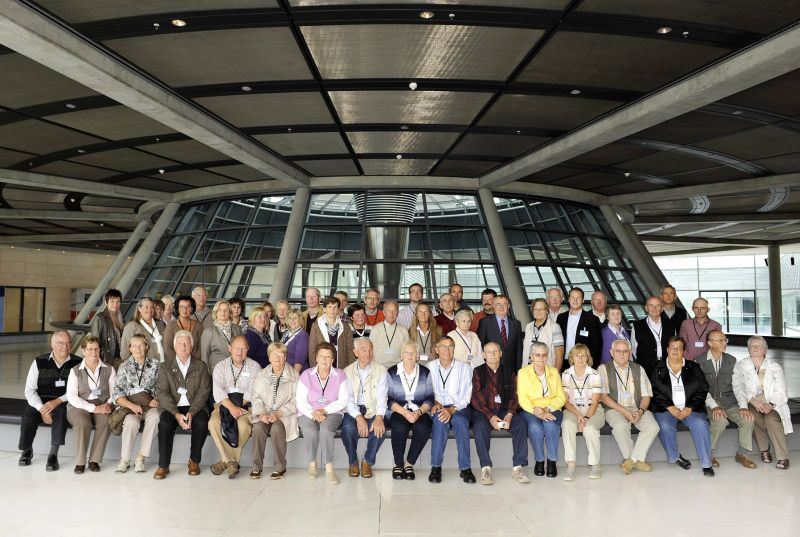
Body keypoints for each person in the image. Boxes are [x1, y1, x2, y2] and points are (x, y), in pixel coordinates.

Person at [18, 330, 81, 471]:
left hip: (65, 400)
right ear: (52, 344)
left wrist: (57, 401)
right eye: (60, 343)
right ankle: (27, 450)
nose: (65, 346)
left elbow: (77, 390)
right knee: (28, 416)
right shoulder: (39, 362)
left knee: (61, 413)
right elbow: (29, 390)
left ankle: (53, 455)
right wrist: (42, 408)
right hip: (41, 401)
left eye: (68, 343)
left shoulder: (78, 363)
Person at [651, 337, 714, 476]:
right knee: (665, 426)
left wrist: (689, 407)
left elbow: (703, 388)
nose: (675, 350)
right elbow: (654, 390)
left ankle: (706, 463)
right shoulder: (657, 367)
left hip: (690, 408)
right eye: (672, 347)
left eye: (679, 347)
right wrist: (670, 407)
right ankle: (675, 457)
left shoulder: (693, 367)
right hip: (666, 409)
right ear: (667, 349)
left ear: (683, 350)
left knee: (700, 424)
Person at [153, 330, 211, 479]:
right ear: (174, 346)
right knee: (165, 423)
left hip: (195, 406)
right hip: (173, 407)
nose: (183, 346)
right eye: (180, 343)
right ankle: (163, 465)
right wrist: (176, 414)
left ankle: (194, 461)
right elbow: (162, 392)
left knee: (202, 422)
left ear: (192, 346)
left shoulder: (201, 366)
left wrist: (191, 412)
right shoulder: (165, 367)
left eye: (187, 343)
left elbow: (203, 392)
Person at [470, 342, 530, 485]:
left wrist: (509, 414)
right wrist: (490, 416)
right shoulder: (478, 371)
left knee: (521, 424)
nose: (492, 355)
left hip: (504, 409)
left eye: (495, 351)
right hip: (484, 411)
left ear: (501, 354)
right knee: (479, 427)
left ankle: (518, 467)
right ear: (483, 355)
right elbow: (475, 398)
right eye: (489, 352)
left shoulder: (509, 372)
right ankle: (485, 468)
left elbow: (514, 397)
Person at [696, 330, 757, 469]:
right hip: (709, 403)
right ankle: (709, 454)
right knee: (720, 421)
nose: (725, 343)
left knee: (747, 419)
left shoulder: (731, 360)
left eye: (725, 340)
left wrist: (743, 406)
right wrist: (714, 406)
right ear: (710, 343)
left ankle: (742, 454)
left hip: (729, 402)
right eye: (721, 340)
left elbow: (738, 386)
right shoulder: (699, 361)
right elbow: (701, 390)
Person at [598, 339, 660, 474]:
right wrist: (625, 412)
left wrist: (641, 411)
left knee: (653, 426)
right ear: (611, 353)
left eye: (625, 351)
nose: (622, 354)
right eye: (618, 351)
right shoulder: (603, 369)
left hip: (636, 407)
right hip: (614, 408)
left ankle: (631, 460)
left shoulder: (638, 369)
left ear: (630, 353)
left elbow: (646, 396)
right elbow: (604, 397)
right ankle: (637, 460)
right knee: (620, 426)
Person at [733, 336, 793, 469]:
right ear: (748, 349)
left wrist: (770, 404)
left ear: (765, 350)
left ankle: (783, 457)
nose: (755, 348)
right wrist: (752, 400)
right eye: (752, 346)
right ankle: (764, 449)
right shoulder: (741, 366)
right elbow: (738, 386)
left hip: (771, 403)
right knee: (753, 418)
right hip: (752, 402)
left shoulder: (775, 367)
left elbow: (781, 391)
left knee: (772, 420)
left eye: (758, 346)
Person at [209, 335, 262, 479]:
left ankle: (226, 461)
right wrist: (231, 407)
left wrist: (238, 407)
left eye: (243, 348)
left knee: (244, 425)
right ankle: (232, 462)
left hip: (245, 405)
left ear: (248, 350)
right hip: (223, 404)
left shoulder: (255, 366)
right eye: (237, 348)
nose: (240, 351)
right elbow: (218, 391)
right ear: (229, 349)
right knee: (213, 422)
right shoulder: (220, 366)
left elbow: (253, 391)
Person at [297, 343, 349, 485]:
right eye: (322, 356)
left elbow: (343, 400)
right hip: (308, 411)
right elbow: (300, 401)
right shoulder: (306, 374)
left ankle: (329, 468)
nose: (325, 360)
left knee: (326, 429)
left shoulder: (340, 374)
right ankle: (312, 463)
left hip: (332, 411)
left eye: (328, 356)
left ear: (333, 359)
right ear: (316, 358)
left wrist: (324, 410)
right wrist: (314, 413)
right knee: (310, 431)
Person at [428, 336, 475, 484]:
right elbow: (427, 392)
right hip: (438, 406)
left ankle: (465, 468)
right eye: (443, 346)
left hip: (459, 407)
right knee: (440, 421)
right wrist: (435, 403)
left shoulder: (465, 368)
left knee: (460, 421)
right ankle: (436, 467)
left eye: (450, 346)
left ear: (454, 349)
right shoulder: (430, 367)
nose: (447, 350)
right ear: (436, 349)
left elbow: (466, 397)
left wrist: (452, 410)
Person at [66, 335, 116, 473]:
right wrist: (93, 408)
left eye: (96, 349)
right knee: (83, 422)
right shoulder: (75, 371)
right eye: (89, 349)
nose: (93, 352)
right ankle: (80, 462)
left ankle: (94, 460)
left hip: (103, 403)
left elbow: (115, 392)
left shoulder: (109, 369)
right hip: (79, 405)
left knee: (107, 421)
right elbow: (71, 396)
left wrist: (108, 404)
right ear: (83, 351)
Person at [112, 334, 160, 473]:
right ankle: (125, 460)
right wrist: (131, 406)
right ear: (130, 348)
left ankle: (140, 458)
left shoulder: (156, 365)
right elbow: (117, 393)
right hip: (130, 406)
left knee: (155, 417)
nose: (138, 348)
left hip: (149, 405)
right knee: (131, 422)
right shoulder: (124, 366)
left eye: (141, 345)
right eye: (134, 345)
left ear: (146, 347)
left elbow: (162, 387)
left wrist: (156, 399)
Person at [250, 342, 299, 479]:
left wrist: (279, 413)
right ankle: (256, 466)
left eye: (280, 354)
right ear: (269, 357)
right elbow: (256, 396)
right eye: (273, 354)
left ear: (285, 357)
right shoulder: (262, 374)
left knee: (277, 428)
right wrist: (261, 413)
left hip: (284, 415)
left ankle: (280, 467)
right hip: (264, 413)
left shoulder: (294, 375)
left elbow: (297, 400)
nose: (277, 358)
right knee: (258, 428)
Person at [386, 341, 434, 480]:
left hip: (420, 410)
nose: (410, 355)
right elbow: (388, 399)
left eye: (413, 353)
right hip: (398, 410)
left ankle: (409, 463)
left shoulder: (425, 372)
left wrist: (418, 412)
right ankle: (398, 464)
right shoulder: (392, 372)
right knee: (399, 427)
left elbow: (430, 398)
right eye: (406, 352)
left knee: (424, 428)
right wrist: (405, 412)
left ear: (418, 356)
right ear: (401, 355)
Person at [341, 338, 388, 478]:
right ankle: (353, 462)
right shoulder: (346, 371)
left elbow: (382, 397)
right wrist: (358, 417)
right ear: (355, 352)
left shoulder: (381, 370)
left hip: (373, 409)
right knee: (348, 429)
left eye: (370, 349)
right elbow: (348, 399)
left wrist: (379, 417)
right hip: (353, 410)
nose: (368, 353)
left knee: (380, 430)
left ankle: (367, 461)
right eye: (363, 349)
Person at [517, 342, 565, 478]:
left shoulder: (554, 372)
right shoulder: (523, 373)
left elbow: (561, 397)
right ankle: (539, 460)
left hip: (552, 407)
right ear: (531, 356)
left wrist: (547, 409)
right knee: (535, 427)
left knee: (550, 425)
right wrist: (536, 410)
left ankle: (552, 460)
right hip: (530, 409)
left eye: (544, 355)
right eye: (537, 355)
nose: (541, 358)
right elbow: (522, 399)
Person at [561, 344, 605, 480]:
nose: (580, 358)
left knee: (590, 428)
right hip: (573, 409)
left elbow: (596, 401)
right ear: (571, 358)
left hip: (592, 409)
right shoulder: (566, 374)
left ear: (588, 358)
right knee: (567, 425)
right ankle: (571, 466)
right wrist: (579, 415)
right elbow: (565, 401)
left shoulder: (595, 374)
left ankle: (595, 465)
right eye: (576, 355)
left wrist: (585, 417)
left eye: (583, 355)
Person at [556, 287, 602, 370]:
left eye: (578, 298)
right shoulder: (561, 318)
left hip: (583, 364)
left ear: (583, 300)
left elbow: (596, 346)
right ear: (569, 299)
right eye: (573, 297)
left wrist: (592, 367)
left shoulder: (592, 319)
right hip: (563, 363)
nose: (575, 300)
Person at [477, 294, 523, 371]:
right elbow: (480, 347)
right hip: (491, 369)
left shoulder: (516, 324)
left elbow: (519, 349)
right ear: (494, 306)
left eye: (504, 304)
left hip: (511, 370)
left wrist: (518, 371)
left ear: (508, 306)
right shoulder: (485, 323)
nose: (501, 307)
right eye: (498, 304)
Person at [631, 296, 672, 378]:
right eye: (651, 305)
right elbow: (634, 349)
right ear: (646, 308)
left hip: (667, 368)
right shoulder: (637, 326)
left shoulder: (670, 325)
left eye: (658, 305)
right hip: (645, 369)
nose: (654, 308)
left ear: (662, 308)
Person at [309, 296, 355, 369]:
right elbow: (312, 350)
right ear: (324, 309)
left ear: (338, 309)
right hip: (322, 365)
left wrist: (351, 369)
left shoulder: (346, 327)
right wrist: (314, 369)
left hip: (342, 365)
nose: (332, 310)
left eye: (335, 307)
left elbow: (350, 349)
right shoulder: (316, 326)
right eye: (329, 307)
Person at [200, 300, 244, 373]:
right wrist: (205, 374)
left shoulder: (237, 329)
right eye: (220, 310)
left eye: (225, 310)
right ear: (216, 312)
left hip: (236, 370)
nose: (223, 312)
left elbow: (243, 349)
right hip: (216, 371)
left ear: (229, 312)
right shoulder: (208, 331)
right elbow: (204, 356)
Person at [522, 298, 565, 370]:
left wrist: (555, 375)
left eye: (541, 309)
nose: (538, 311)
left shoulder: (554, 327)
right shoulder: (528, 327)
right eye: (535, 309)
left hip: (546, 372)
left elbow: (559, 354)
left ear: (547, 311)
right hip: (528, 371)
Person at [121, 297, 165, 363]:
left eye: (152, 307)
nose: (149, 309)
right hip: (142, 368)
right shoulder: (131, 327)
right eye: (146, 307)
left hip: (163, 366)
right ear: (139, 309)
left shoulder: (161, 324)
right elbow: (125, 353)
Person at [89, 288, 124, 366]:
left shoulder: (120, 317)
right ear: (106, 302)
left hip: (120, 359)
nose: (115, 305)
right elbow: (94, 342)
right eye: (112, 301)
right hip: (106, 360)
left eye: (118, 302)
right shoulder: (100, 318)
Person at [370, 300, 409, 367]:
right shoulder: (375, 329)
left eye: (394, 311)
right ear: (384, 313)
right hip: (379, 366)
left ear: (398, 313)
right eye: (388, 311)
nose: (391, 313)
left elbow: (407, 351)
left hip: (398, 367)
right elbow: (370, 350)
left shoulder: (403, 330)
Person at [162, 296, 202, 362]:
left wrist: (194, 362)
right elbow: (167, 348)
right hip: (176, 364)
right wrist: (179, 362)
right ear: (178, 309)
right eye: (182, 307)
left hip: (195, 363)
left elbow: (201, 347)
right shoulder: (171, 326)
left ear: (192, 309)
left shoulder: (199, 325)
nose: (184, 309)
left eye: (188, 307)